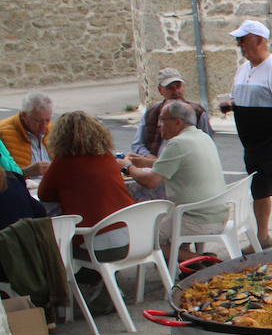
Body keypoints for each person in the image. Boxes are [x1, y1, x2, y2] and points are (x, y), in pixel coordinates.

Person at [37, 111, 135, 313]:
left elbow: (44, 194)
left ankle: (59, 299)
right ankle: (105, 285)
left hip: (96, 245)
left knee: (52, 245)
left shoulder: (63, 164)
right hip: (133, 239)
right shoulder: (107, 158)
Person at [224, 19, 272, 248]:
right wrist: (232, 105)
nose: (240, 45)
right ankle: (263, 237)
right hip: (252, 141)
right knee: (259, 189)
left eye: (243, 40)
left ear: (259, 40)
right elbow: (244, 99)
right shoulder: (244, 69)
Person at [123, 100, 228, 259]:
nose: (159, 125)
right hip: (217, 213)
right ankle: (189, 260)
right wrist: (144, 162)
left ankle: (201, 260)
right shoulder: (201, 137)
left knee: (145, 238)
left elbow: (151, 182)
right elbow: (179, 164)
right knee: (165, 223)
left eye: (163, 120)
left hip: (197, 219)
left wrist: (127, 167)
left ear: (178, 122)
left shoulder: (178, 143)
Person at [132, 68, 213, 158]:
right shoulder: (151, 113)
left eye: (178, 86)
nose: (175, 91)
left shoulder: (198, 112)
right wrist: (148, 156)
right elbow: (138, 144)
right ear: (160, 90)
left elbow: (208, 143)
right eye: (170, 88)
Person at [0, 91, 53, 178]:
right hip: (24, 188)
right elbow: (5, 175)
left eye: (47, 120)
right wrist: (26, 172)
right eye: (38, 121)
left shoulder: (53, 130)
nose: (45, 126)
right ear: (24, 115)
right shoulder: (4, 132)